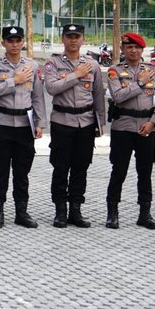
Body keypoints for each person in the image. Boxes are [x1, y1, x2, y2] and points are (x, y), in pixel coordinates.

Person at [41, 23, 108, 228]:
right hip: (62, 122)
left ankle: (76, 210)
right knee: (61, 168)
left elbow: (98, 94)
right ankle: (60, 211)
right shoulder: (52, 63)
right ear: (63, 39)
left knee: (81, 168)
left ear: (83, 39)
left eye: (77, 36)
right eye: (69, 36)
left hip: (86, 122)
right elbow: (52, 88)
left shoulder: (92, 64)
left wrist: (100, 121)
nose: (73, 40)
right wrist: (76, 75)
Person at [0, 26, 47, 230]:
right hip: (1, 123)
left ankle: (21, 212)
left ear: (23, 42)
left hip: (24, 125)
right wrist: (13, 81)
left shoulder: (32, 66)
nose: (15, 44)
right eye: (10, 40)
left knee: (22, 172)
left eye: (18, 40)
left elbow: (37, 97)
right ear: (3, 43)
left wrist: (40, 123)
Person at [104, 34, 155, 229]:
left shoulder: (154, 70)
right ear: (122, 49)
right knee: (119, 171)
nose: (133, 50)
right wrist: (139, 83)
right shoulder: (114, 71)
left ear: (142, 50)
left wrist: (153, 122)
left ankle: (145, 214)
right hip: (123, 126)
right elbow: (118, 96)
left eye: (137, 47)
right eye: (129, 47)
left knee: (145, 172)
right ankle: (112, 213)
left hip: (146, 127)